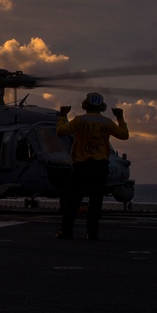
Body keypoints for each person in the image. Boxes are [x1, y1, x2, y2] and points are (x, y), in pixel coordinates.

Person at [55, 92, 129, 240]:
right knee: (96, 201)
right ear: (102, 107)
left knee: (73, 201)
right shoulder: (107, 122)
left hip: (81, 166)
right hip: (100, 166)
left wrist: (63, 116)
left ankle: (66, 231)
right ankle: (92, 233)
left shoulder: (79, 120)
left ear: (85, 105)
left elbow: (61, 131)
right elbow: (124, 134)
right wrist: (120, 117)